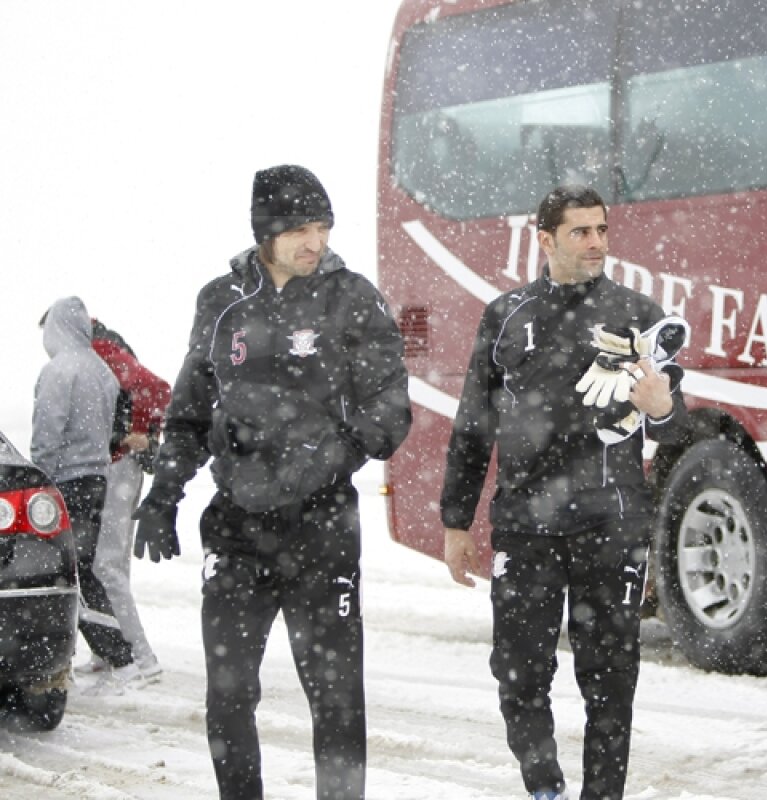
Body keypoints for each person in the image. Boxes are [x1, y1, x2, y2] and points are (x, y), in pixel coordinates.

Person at [131, 164, 412, 800]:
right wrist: (165, 493)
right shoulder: (220, 301)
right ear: (265, 231)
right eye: (300, 229)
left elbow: (390, 408)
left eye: (323, 227)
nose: (316, 242)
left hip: (323, 528)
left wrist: (332, 453)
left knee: (336, 699)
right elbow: (190, 412)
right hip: (237, 531)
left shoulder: (352, 297)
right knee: (229, 697)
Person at [441, 184, 689, 800]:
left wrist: (662, 409)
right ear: (545, 239)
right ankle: (544, 787)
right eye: (581, 232)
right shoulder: (507, 316)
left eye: (602, 229)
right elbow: (474, 425)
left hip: (612, 525)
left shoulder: (637, 313)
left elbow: (673, 423)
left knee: (611, 681)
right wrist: (455, 521)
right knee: (519, 676)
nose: (596, 242)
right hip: (525, 527)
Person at [32, 297, 139, 689]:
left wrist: (40, 481)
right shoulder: (101, 370)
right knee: (86, 569)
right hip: (96, 480)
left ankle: (118, 657)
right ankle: (111, 656)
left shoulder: (60, 371)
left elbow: (48, 431)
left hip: (64, 483)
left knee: (65, 574)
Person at [74, 319, 171, 683]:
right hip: (121, 468)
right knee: (113, 565)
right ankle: (108, 650)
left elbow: (156, 388)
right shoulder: (107, 349)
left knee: (106, 567)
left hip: (118, 468)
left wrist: (138, 434)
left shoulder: (101, 351)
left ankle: (142, 659)